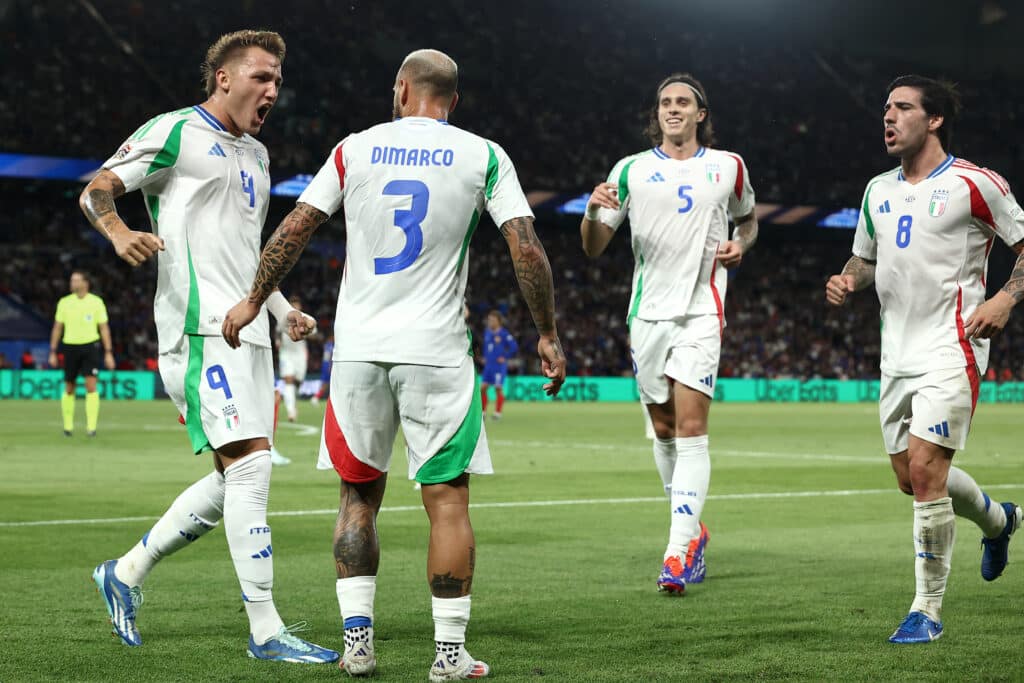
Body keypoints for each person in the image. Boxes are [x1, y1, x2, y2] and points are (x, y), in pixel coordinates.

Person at [222, 48, 566, 680]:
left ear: (402, 90)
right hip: (436, 350)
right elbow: (526, 248)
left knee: (358, 496)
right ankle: (449, 655)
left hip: (357, 349)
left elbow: (295, 227)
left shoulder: (354, 148)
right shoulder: (484, 155)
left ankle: (358, 645)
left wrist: (254, 299)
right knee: (447, 502)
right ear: (452, 101)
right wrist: (546, 333)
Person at [77, 29, 336, 663]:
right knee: (250, 468)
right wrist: (118, 232)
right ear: (224, 78)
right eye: (261, 77)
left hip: (249, 331)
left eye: (278, 80)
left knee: (234, 476)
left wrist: (281, 309)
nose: (272, 90)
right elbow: (96, 189)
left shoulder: (258, 154)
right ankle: (266, 630)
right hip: (198, 329)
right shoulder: (175, 131)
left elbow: (245, 252)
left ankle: (124, 573)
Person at [825, 75, 1024, 644]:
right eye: (886, 109)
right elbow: (866, 258)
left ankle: (926, 611)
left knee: (926, 468)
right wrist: (848, 279)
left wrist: (1005, 298)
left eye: (903, 108)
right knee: (911, 480)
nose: (888, 117)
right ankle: (999, 520)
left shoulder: (974, 183)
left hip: (953, 345)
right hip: (896, 353)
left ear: (934, 119)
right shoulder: (877, 190)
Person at [581, 73, 757, 595]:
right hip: (648, 315)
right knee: (663, 429)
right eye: (664, 102)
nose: (672, 109)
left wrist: (741, 243)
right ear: (656, 113)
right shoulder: (630, 170)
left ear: (701, 114)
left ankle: (677, 552)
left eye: (683, 102)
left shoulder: (729, 167)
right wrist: (591, 211)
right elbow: (594, 246)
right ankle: (693, 530)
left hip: (701, 311)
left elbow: (748, 221)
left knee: (691, 427)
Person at [48, 270, 116, 436]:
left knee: (91, 386)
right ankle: (67, 427)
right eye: (72, 280)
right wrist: (53, 351)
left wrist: (108, 352)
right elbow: (57, 328)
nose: (72, 283)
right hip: (70, 346)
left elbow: (104, 328)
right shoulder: (64, 302)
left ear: (85, 283)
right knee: (69, 387)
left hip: (90, 346)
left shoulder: (96, 302)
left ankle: (91, 428)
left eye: (76, 280)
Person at [480, 310, 518, 420]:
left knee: (498, 388)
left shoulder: (504, 334)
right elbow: (486, 347)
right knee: (482, 388)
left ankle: (497, 413)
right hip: (488, 366)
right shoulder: (487, 332)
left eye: (493, 320)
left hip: (498, 366)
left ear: (499, 321)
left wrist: (505, 356)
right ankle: (483, 412)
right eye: (489, 320)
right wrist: (485, 357)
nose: (490, 322)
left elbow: (514, 346)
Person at [277, 294, 309, 421]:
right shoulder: (284, 318)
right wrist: (278, 341)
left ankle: (293, 403)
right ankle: (291, 411)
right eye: (292, 304)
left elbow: (314, 333)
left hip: (300, 354)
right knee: (289, 380)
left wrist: (308, 332)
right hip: (286, 353)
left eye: (297, 304)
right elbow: (277, 331)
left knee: (298, 381)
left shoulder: (306, 319)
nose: (295, 306)